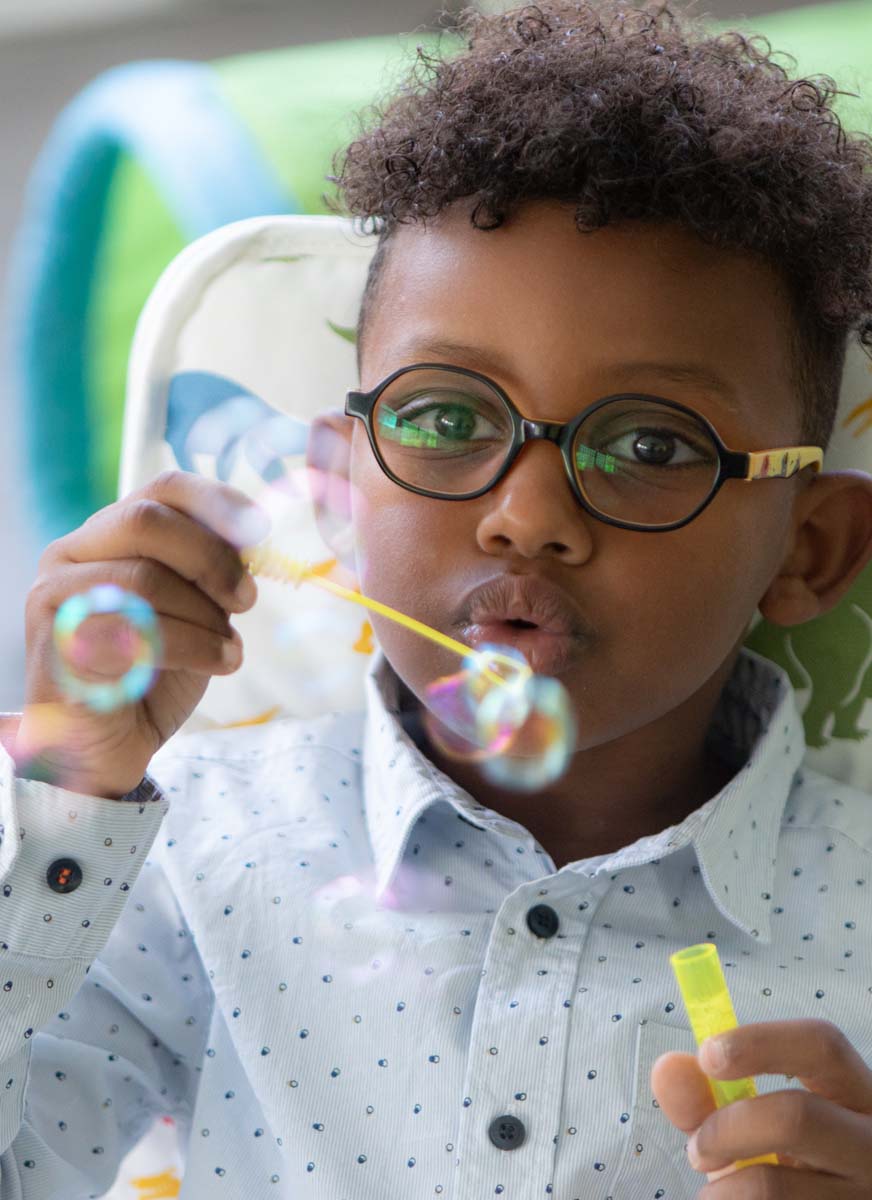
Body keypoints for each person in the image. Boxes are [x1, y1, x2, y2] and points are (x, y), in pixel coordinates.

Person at [5, 1, 872, 1195]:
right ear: (337, 487)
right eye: (444, 418)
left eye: (651, 444)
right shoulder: (183, 855)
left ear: (809, 551)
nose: (525, 514)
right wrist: (69, 800)